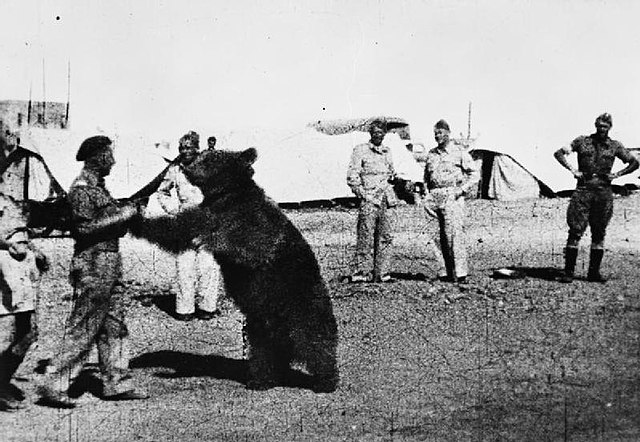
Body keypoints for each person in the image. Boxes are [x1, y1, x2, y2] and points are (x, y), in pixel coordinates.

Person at [37, 135, 148, 408]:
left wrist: (128, 213)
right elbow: (84, 228)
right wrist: (122, 215)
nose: (113, 160)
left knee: (114, 325)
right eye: (109, 155)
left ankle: (116, 382)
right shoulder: (82, 189)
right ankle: (54, 384)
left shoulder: (99, 189)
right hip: (94, 261)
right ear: (97, 157)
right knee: (84, 324)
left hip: (109, 259)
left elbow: (108, 223)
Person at [553, 113, 639, 283]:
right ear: (595, 125)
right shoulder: (582, 141)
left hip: (604, 192)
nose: (601, 129)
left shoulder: (615, 146)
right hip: (583, 190)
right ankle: (568, 273)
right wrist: (573, 170)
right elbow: (559, 153)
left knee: (599, 232)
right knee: (575, 230)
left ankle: (593, 273)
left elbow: (634, 163)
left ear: (609, 128)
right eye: (599, 125)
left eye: (605, 126)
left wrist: (617, 175)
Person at [156, 131, 222, 321]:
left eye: (188, 147)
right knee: (184, 267)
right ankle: (185, 309)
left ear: (196, 148)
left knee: (208, 266)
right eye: (181, 148)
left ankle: (207, 307)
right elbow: (162, 192)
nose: (185, 151)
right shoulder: (175, 170)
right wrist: (173, 209)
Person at [0, 195, 48, 411]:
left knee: (27, 333)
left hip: (21, 267)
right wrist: (7, 242)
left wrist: (32, 248)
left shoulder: (7, 199)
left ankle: (2, 381)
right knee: (5, 334)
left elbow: (20, 229)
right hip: (3, 271)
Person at [420, 119, 479, 283]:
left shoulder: (458, 152)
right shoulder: (431, 153)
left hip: (451, 194)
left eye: (440, 133)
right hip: (434, 195)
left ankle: (460, 273)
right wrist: (426, 193)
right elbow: (426, 176)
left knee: (454, 235)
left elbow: (475, 174)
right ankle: (443, 272)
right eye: (435, 133)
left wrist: (462, 190)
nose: (437, 136)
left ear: (448, 133)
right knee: (435, 236)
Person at [346, 119, 398, 283]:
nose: (378, 135)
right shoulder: (360, 150)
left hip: (387, 199)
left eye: (381, 132)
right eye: (375, 132)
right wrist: (363, 194)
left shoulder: (387, 151)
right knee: (365, 236)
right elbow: (352, 177)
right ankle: (362, 272)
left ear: (384, 134)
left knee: (386, 237)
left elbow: (391, 173)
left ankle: (382, 273)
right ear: (370, 133)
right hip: (369, 199)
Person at [0, 119, 63, 201]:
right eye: (7, 133)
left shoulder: (32, 152)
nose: (11, 135)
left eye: (9, 132)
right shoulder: (13, 153)